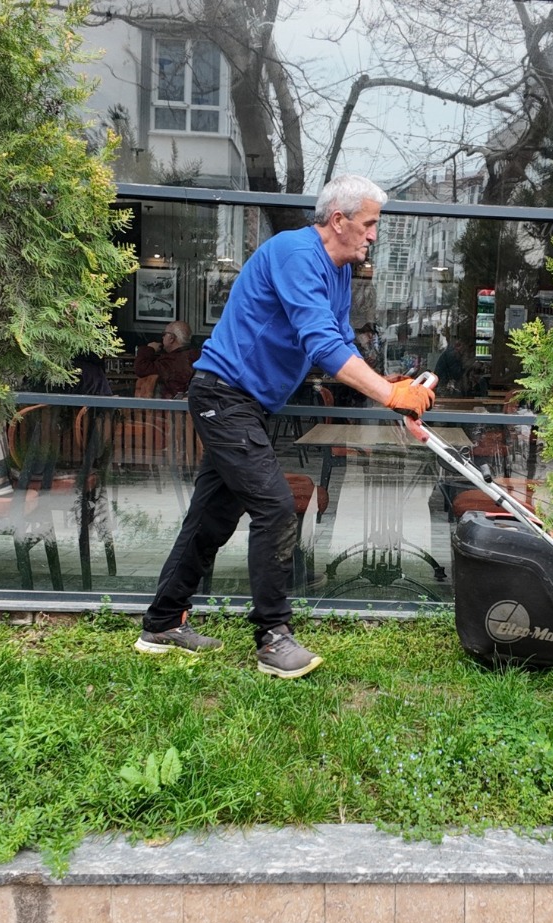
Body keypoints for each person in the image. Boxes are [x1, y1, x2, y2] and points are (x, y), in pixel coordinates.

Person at [134, 173, 434, 678]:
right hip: (223, 396)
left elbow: (340, 339)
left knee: (211, 519)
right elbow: (321, 344)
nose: (373, 234)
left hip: (245, 405)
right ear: (337, 220)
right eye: (368, 224)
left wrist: (387, 386)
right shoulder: (296, 254)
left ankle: (162, 622)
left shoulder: (338, 271)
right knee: (275, 508)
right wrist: (389, 395)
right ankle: (273, 637)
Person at [134, 320, 198, 398]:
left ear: (171, 338)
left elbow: (141, 368)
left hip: (171, 404)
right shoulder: (196, 356)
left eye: (164, 334)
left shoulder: (170, 361)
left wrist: (150, 349)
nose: (162, 337)